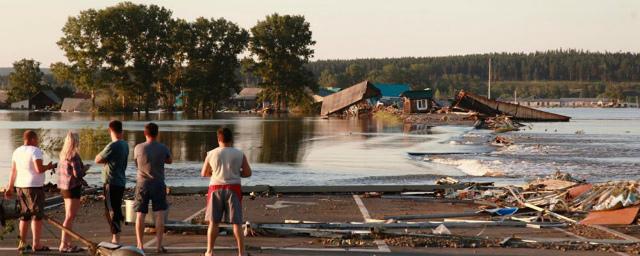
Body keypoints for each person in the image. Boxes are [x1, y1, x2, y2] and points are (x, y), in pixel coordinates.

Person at [201, 127, 252, 256]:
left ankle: (209, 251)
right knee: (237, 223)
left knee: (213, 222)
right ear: (231, 139)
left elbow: (204, 173)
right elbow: (247, 173)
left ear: (219, 139)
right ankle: (241, 252)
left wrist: (214, 172)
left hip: (215, 188)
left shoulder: (211, 153)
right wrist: (236, 172)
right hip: (233, 188)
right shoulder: (239, 154)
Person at [4, 130, 56, 252]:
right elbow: (39, 169)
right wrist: (49, 167)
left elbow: (13, 171)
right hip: (34, 187)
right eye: (37, 140)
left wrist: (10, 187)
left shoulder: (17, 151)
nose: (38, 142)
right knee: (37, 216)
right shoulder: (35, 151)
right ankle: (36, 244)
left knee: (24, 215)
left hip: (20, 186)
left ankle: (22, 243)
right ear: (32, 139)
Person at [133, 122, 172, 253]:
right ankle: (158, 245)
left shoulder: (138, 148)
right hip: (158, 183)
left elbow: (136, 163)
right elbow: (169, 160)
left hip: (142, 183)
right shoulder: (163, 147)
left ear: (145, 133)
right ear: (157, 133)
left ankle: (140, 245)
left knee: (140, 214)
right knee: (159, 214)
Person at [95, 120, 129, 244]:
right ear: (122, 131)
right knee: (116, 207)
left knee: (110, 209)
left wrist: (106, 160)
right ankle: (117, 234)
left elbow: (97, 159)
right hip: (120, 180)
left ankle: (115, 238)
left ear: (110, 131)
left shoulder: (112, 145)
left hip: (111, 181)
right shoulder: (125, 144)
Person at [57, 131, 89, 253]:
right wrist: (85, 169)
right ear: (75, 141)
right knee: (70, 217)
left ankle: (68, 243)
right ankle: (64, 244)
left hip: (64, 188)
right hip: (73, 188)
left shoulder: (62, 155)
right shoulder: (74, 155)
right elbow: (78, 174)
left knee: (68, 216)